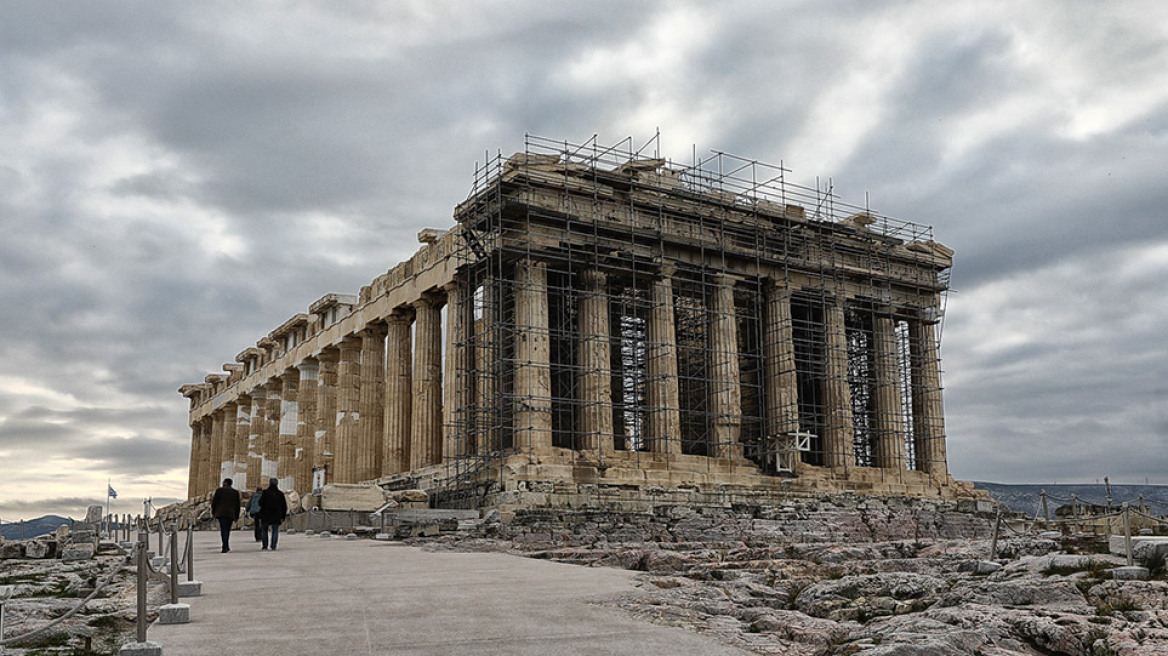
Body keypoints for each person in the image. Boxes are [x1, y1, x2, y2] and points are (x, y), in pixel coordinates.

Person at [210, 478, 241, 553]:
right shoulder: (235, 492)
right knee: (227, 529)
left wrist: (213, 512)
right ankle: (226, 545)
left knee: (223, 529)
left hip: (221, 513)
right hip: (231, 513)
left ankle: (225, 546)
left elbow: (214, 503)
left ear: (225, 483)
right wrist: (236, 516)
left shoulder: (219, 491)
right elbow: (237, 505)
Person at [257, 477, 288, 551]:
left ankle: (265, 545)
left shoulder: (265, 492)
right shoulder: (280, 494)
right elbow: (284, 506)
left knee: (264, 530)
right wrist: (283, 516)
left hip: (265, 514)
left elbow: (260, 503)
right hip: (276, 515)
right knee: (275, 530)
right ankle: (273, 545)